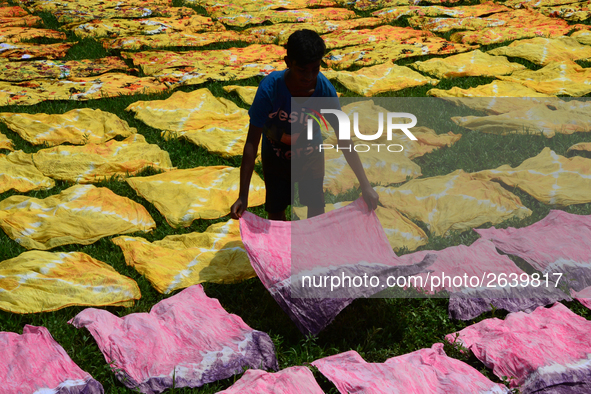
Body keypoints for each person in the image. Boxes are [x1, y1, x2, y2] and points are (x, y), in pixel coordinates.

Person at [230, 29, 379, 221]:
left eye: (315, 69)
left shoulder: (325, 92)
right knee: (276, 211)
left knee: (316, 210)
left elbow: (344, 138)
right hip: (276, 158)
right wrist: (243, 195)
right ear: (288, 63)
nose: (309, 77)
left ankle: (312, 249)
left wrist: (365, 185)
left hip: (311, 156)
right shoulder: (270, 90)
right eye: (302, 70)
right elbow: (251, 142)